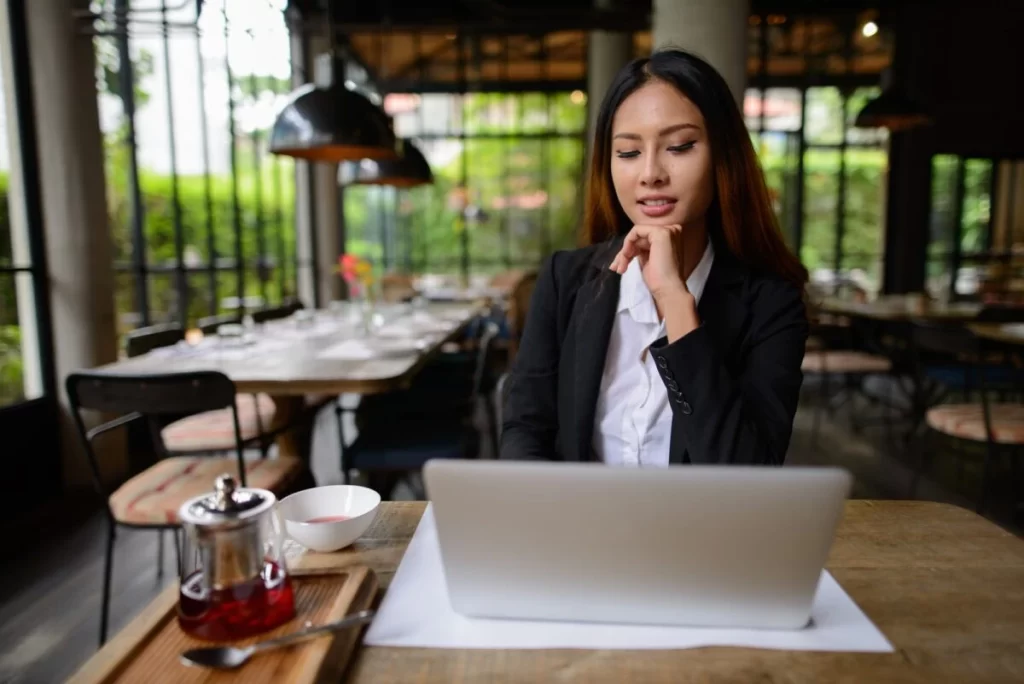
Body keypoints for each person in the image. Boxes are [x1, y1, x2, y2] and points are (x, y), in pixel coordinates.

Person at [500, 48, 809, 466]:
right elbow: (526, 430)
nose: (650, 173)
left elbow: (744, 474)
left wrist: (675, 302)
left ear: (723, 156)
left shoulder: (771, 303)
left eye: (679, 146)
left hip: (700, 529)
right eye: (628, 152)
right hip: (577, 524)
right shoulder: (564, 279)